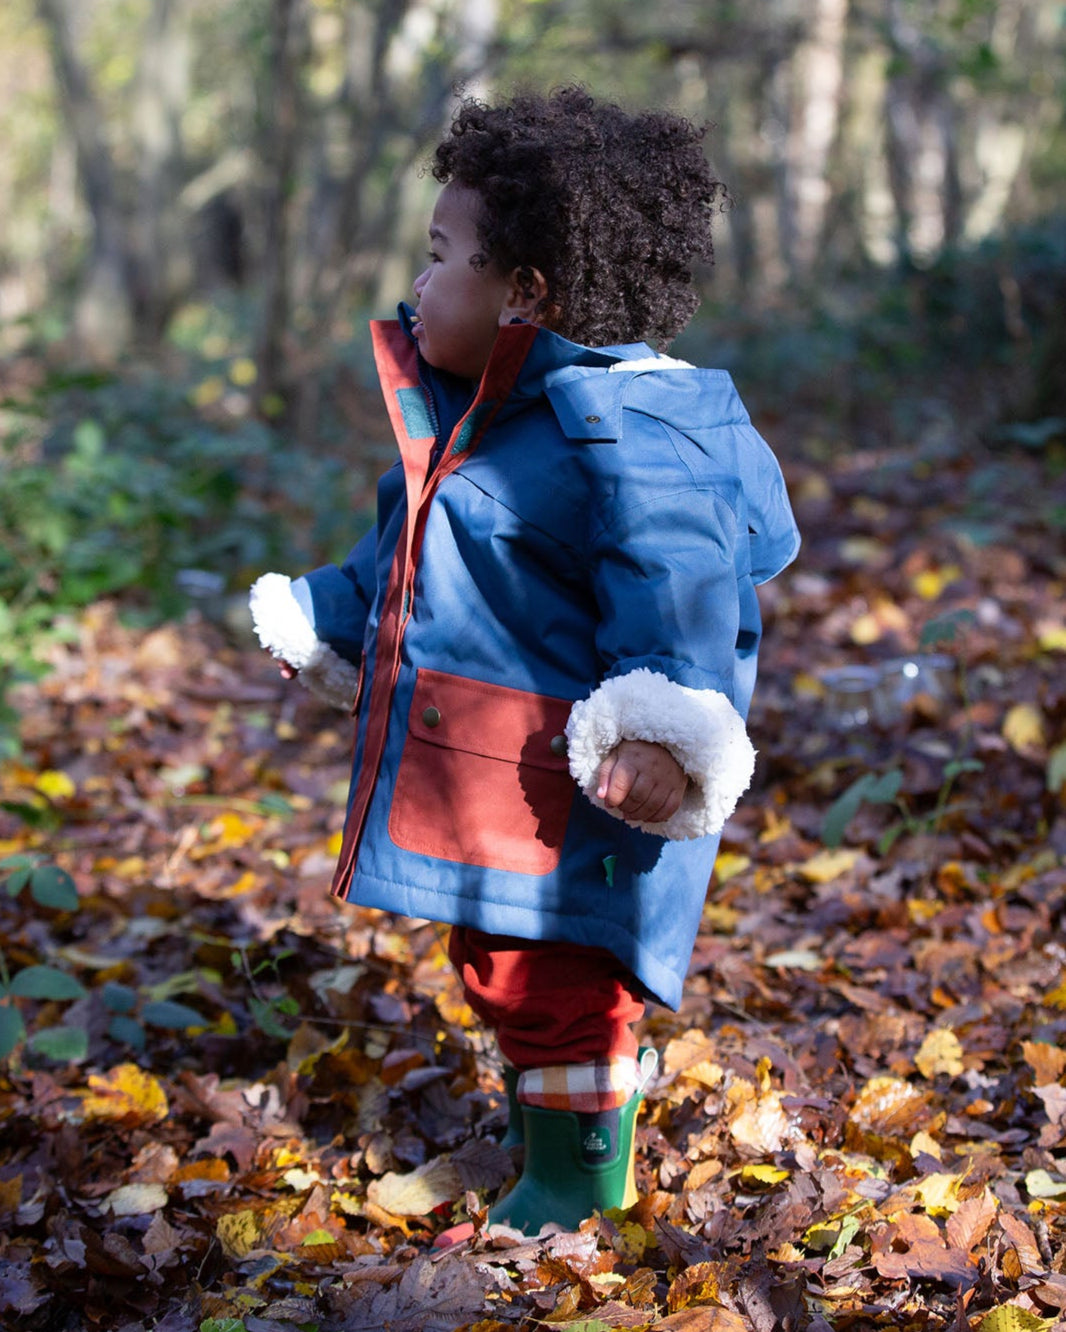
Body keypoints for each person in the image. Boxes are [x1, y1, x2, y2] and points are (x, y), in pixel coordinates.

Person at [249, 87, 799, 1238]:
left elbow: (680, 584)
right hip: (491, 774)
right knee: (501, 963)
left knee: (557, 986)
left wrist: (662, 731)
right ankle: (549, 1122)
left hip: (568, 792)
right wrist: (324, 616)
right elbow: (408, 555)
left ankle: (579, 1180)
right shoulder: (482, 418)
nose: (417, 280)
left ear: (526, 293)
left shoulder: (631, 432)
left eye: (442, 255)